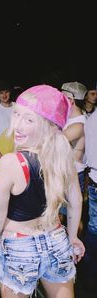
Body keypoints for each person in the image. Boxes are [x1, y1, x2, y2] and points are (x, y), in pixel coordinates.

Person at [0, 85, 88, 298]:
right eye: (17, 115)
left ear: (47, 126)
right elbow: (76, 200)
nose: (18, 125)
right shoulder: (63, 156)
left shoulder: (11, 162)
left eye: (29, 119)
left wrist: (0, 238)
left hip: (20, 246)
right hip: (57, 242)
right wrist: (73, 238)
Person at [60, 81, 87, 235]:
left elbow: (55, 141)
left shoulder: (79, 124)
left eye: (62, 97)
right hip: (65, 173)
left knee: (74, 219)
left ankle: (77, 250)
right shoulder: (70, 119)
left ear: (70, 100)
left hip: (74, 175)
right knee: (62, 216)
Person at [83, 107, 97, 292]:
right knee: (94, 231)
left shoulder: (90, 118)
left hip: (94, 177)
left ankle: (89, 279)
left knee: (94, 228)